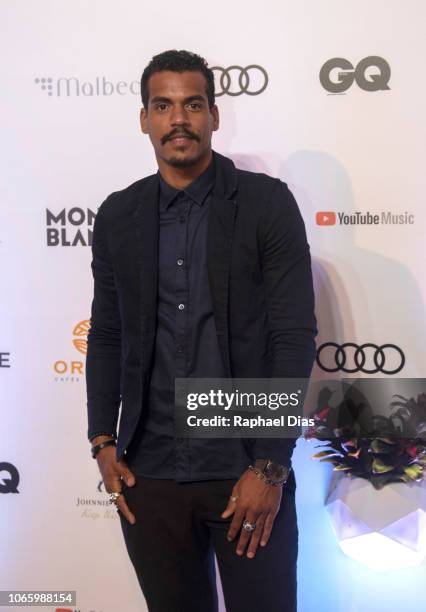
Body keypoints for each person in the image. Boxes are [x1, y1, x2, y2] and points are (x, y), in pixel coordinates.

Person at [86, 49, 317, 612]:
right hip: (151, 472)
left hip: (243, 461)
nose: (178, 119)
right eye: (162, 106)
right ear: (145, 119)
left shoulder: (265, 203)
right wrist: (102, 441)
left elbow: (292, 335)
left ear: (214, 114)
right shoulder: (119, 214)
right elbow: (108, 333)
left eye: (192, 104)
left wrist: (270, 464)